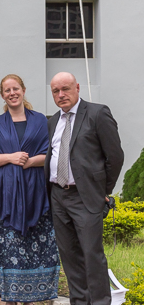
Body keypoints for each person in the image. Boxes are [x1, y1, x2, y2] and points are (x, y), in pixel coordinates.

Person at [46, 72, 124, 304]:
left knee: (92, 255)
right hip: (58, 196)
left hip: (86, 196)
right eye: (56, 91)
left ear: (77, 88)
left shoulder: (98, 113)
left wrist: (102, 191)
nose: (61, 95)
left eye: (66, 89)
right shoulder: (53, 121)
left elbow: (115, 156)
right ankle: (79, 301)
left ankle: (100, 302)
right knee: (69, 256)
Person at [0, 74, 60, 304]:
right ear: (2, 95)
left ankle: (35, 295)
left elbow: (53, 154)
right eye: (7, 90)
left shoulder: (42, 122)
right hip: (4, 193)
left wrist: (30, 162)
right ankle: (10, 296)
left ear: (23, 90)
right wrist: (10, 157)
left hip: (37, 192)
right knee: (7, 244)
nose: (12, 93)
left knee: (38, 242)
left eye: (16, 88)